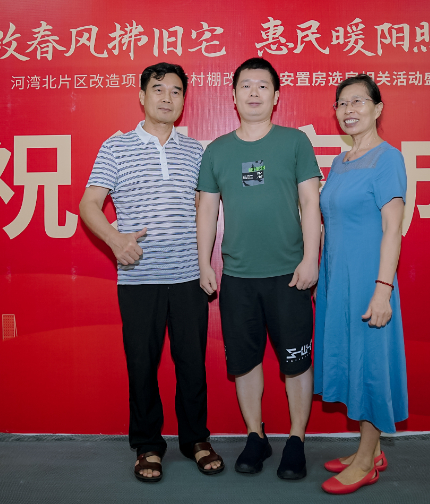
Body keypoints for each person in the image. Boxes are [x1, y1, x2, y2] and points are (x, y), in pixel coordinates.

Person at [79, 62, 223, 483]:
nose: (167, 97)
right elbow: (89, 205)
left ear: (184, 100)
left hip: (188, 277)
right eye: (158, 89)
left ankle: (196, 440)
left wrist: (205, 264)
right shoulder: (116, 147)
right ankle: (147, 446)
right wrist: (115, 240)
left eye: (176, 91)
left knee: (191, 363)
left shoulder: (195, 150)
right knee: (141, 364)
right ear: (142, 96)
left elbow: (204, 211)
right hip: (139, 278)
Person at [196, 57, 322, 480]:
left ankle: (296, 439)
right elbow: (207, 211)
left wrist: (310, 259)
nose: (254, 92)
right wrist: (204, 263)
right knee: (245, 361)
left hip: (290, 275)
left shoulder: (295, 143)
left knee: (296, 361)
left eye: (262, 86)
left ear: (276, 96)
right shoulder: (217, 150)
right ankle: (256, 435)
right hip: (238, 278)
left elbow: (310, 203)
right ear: (233, 96)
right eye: (245, 85)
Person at [314, 74, 408, 495]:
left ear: (377, 108)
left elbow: (392, 228)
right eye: (342, 103)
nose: (349, 110)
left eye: (358, 101)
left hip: (371, 281)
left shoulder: (388, 158)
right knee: (352, 360)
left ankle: (367, 461)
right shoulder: (340, 162)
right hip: (339, 281)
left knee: (370, 364)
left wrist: (383, 289)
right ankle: (370, 449)